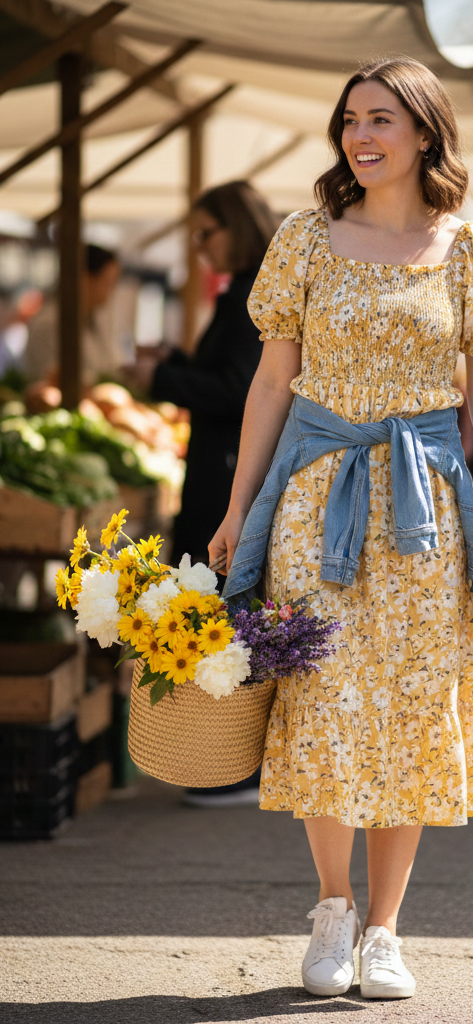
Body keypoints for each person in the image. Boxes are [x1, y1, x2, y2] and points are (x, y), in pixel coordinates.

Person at [210, 57, 473, 1000]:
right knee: (323, 704)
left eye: (382, 118)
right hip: (317, 506)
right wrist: (238, 511)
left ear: (426, 132)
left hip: (425, 514)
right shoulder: (304, 239)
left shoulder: (472, 251)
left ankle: (386, 930)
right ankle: (329, 908)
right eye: (351, 118)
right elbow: (272, 384)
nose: (361, 134)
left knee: (410, 711)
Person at [130, 180, 277, 807]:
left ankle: (230, 764)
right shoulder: (243, 288)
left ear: (235, 228)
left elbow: (244, 388)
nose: (197, 246)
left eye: (204, 232)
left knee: (220, 609)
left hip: (226, 477)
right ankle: (217, 759)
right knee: (214, 610)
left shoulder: (252, 294)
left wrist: (163, 376)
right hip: (220, 470)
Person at [23, 244, 123, 387]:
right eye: (108, 283)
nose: (111, 292)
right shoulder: (49, 325)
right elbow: (54, 380)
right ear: (85, 279)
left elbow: (109, 368)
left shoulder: (96, 320)